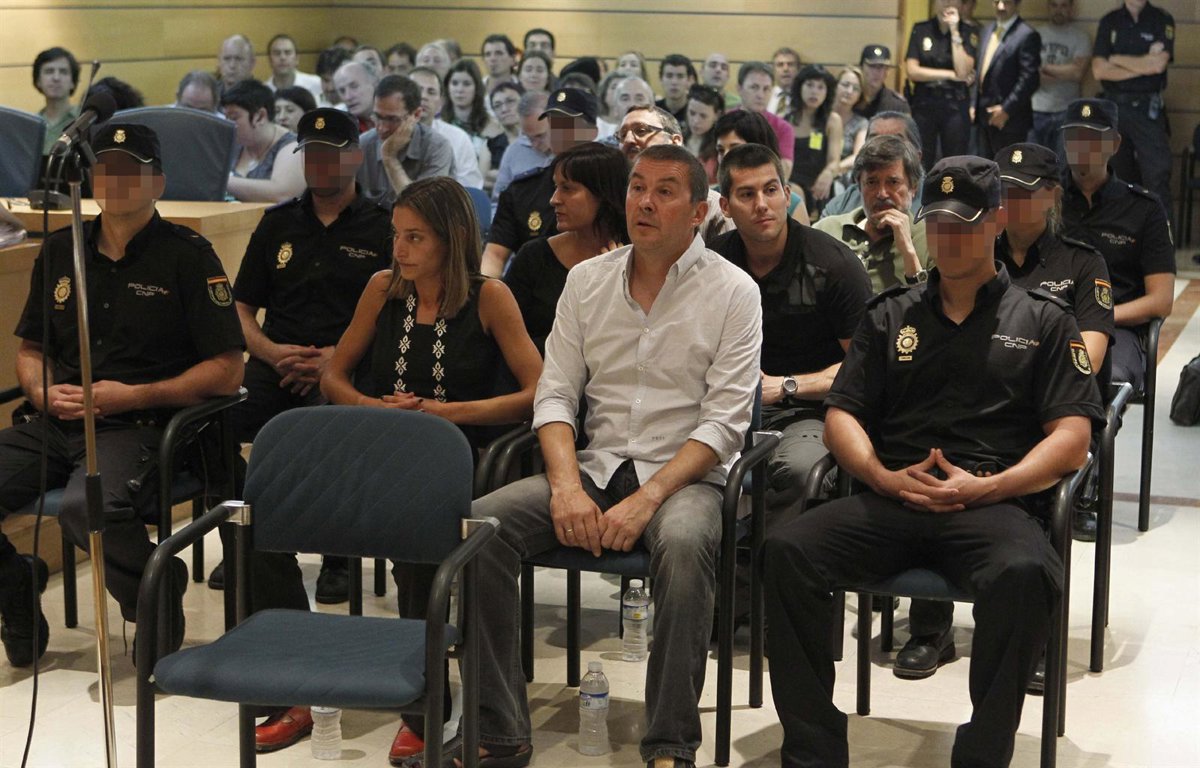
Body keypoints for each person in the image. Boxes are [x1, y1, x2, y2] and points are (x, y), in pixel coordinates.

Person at [764, 155, 1104, 768]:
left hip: (991, 503)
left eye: (964, 224)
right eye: (938, 223)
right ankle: (813, 751)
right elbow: (842, 415)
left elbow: (1073, 438)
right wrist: (878, 475)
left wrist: (991, 487)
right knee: (787, 550)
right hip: (892, 496)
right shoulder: (891, 314)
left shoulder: (1043, 320)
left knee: (1027, 574)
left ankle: (982, 754)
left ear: (996, 221)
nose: (948, 237)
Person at [458, 144, 762, 768]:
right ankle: (498, 730)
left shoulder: (735, 292)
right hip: (596, 468)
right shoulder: (587, 281)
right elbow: (554, 395)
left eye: (665, 191)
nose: (644, 202)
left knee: (684, 543)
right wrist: (566, 486)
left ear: (699, 211)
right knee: (481, 526)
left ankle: (670, 744)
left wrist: (647, 499)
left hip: (687, 477)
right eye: (636, 188)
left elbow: (725, 423)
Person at [0, 123, 245, 667]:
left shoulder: (187, 255)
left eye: (130, 170)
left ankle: (152, 591)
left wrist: (135, 395)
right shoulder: (61, 250)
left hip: (141, 424)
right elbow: (32, 349)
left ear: (157, 183)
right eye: (105, 169)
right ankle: (14, 584)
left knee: (86, 506)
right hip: (58, 420)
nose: (114, 180)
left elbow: (228, 371)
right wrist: (41, 391)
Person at [321, 176, 542, 763]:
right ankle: (357, 688)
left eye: (415, 237)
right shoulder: (381, 289)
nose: (400, 249)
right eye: (396, 235)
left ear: (451, 238)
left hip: (464, 453)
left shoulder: (490, 296)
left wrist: (449, 412)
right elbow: (333, 375)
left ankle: (427, 707)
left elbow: (538, 391)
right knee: (268, 508)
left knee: (418, 522)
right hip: (387, 443)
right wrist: (373, 406)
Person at [221, 109, 391, 668]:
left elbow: (395, 315)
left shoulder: (383, 225)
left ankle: (338, 553)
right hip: (277, 360)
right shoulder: (277, 224)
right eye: (310, 153)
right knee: (212, 428)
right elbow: (240, 307)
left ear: (355, 156)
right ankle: (251, 538)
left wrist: (335, 359)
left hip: (348, 364)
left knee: (327, 429)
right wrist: (269, 352)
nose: (320, 163)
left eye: (331, 153)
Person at [711, 143, 872, 522]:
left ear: (787, 195)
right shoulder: (712, 262)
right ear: (725, 207)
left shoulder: (833, 265)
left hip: (807, 412)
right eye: (746, 195)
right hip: (722, 408)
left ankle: (766, 560)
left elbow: (865, 368)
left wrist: (787, 385)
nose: (761, 205)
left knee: (801, 471)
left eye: (770, 190)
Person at [1060, 98, 1174, 393]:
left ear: (1114, 143)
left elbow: (1161, 300)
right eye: (1074, 136)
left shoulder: (1144, 209)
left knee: (1102, 380)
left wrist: (1100, 318)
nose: (1081, 146)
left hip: (1116, 328)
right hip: (1052, 322)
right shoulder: (1045, 201)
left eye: (1091, 137)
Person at [506, 143, 628, 352]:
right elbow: (505, 337)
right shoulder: (533, 258)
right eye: (556, 187)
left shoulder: (637, 257)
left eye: (567, 189)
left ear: (604, 194)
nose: (554, 200)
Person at [482, 87, 598, 277]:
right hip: (534, 287)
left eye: (569, 125)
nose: (558, 132)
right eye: (553, 124)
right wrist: (487, 288)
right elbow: (494, 255)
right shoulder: (522, 190)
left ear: (592, 132)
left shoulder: (613, 188)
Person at [814, 134, 931, 293]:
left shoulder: (931, 239)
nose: (882, 193)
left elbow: (935, 304)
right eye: (871, 182)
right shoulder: (826, 230)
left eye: (893, 182)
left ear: (913, 187)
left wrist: (908, 253)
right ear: (859, 186)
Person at [1091, 0, 1176, 216]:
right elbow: (1099, 70)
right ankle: (1122, 235)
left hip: (1147, 109)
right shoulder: (1110, 21)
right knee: (1116, 179)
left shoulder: (1161, 19)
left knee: (1157, 176)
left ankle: (1160, 236)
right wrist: (1144, 63)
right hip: (1114, 110)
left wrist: (1115, 58)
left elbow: (1158, 65)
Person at [617, 105, 732, 244]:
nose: (628, 140)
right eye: (622, 135)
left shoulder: (712, 208)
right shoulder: (612, 201)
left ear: (675, 141)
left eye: (641, 131)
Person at [357, 74, 454, 209]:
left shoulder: (437, 147)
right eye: (378, 117)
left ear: (416, 115)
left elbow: (423, 209)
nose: (382, 128)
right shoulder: (363, 145)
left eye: (392, 119)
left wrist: (390, 159)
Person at [904, 0, 978, 170]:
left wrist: (954, 31)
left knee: (955, 161)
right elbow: (912, 71)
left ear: (960, 4)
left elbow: (963, 71)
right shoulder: (921, 29)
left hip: (955, 103)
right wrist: (950, 75)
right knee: (921, 159)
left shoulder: (968, 32)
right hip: (924, 102)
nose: (947, 3)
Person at [713, 109, 809, 226]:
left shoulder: (792, 204)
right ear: (724, 205)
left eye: (735, 148)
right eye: (720, 150)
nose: (726, 156)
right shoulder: (711, 198)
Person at [823, 110, 925, 217]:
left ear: (917, 156)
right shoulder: (840, 207)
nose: (882, 148)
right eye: (874, 140)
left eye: (894, 141)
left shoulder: (934, 205)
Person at [974, 0, 1042, 159]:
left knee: (1008, 168)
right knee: (984, 167)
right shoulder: (986, 30)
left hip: (1011, 119)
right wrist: (973, 103)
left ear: (1017, 4)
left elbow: (1030, 79)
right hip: (983, 115)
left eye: (1006, 2)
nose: (1001, 7)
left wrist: (1006, 110)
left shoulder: (1027, 34)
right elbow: (980, 70)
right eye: (997, 1)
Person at [222, 79, 305, 203]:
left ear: (260, 116)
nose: (228, 124)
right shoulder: (233, 143)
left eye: (234, 118)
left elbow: (283, 194)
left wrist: (223, 181)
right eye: (226, 117)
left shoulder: (293, 146)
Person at [1030, 0, 1091, 156]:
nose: (1059, 10)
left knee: (1063, 164)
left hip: (1067, 112)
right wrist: (1065, 71)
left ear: (1071, 8)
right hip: (1035, 111)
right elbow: (1030, 73)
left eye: (1064, 5)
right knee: (1033, 163)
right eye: (1054, 5)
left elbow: (1077, 73)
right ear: (1048, 7)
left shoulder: (1080, 37)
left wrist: (1044, 68)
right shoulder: (1034, 35)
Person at [408, 66, 485, 189]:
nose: (423, 96)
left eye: (431, 92)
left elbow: (471, 189)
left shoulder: (458, 138)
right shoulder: (385, 131)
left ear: (440, 103)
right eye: (417, 90)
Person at [785, 64, 841, 216]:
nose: (814, 91)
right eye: (809, 85)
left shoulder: (832, 120)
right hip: (789, 184)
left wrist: (828, 173)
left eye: (820, 87)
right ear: (799, 87)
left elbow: (834, 161)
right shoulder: (786, 120)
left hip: (817, 186)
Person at [446, 60, 506, 186]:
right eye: (454, 83)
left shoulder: (494, 127)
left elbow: (497, 175)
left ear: (477, 88)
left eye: (466, 84)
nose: (459, 89)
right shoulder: (438, 124)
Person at [491, 90, 552, 204]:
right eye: (528, 137)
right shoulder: (513, 152)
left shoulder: (576, 149)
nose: (534, 144)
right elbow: (498, 203)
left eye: (540, 136)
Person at [737, 62, 795, 179]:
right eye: (754, 87)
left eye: (766, 89)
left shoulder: (783, 128)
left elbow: (784, 172)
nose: (760, 95)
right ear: (739, 89)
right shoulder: (723, 122)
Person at [32, 47, 80, 155]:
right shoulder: (31, 125)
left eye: (63, 72)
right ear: (38, 80)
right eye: (49, 71)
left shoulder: (84, 119)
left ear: (73, 82)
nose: (56, 78)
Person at [830, 66, 870, 189]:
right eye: (845, 85)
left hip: (843, 175)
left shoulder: (861, 123)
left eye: (856, 89)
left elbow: (858, 156)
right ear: (836, 86)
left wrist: (832, 171)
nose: (849, 91)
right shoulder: (822, 116)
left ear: (860, 95)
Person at [264, 33, 323, 102]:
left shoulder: (317, 84)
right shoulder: (264, 92)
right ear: (270, 59)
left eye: (287, 53)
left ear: (297, 58)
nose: (282, 57)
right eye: (277, 53)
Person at [856, 45, 910, 119]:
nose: (876, 72)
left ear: (887, 71)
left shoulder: (897, 105)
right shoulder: (852, 99)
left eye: (881, 67)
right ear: (861, 68)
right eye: (872, 66)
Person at [685, 84, 725, 184]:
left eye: (703, 116)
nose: (695, 121)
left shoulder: (721, 147)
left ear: (717, 115)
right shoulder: (676, 139)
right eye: (692, 113)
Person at [333, 60, 379, 133]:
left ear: (374, 83)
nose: (348, 97)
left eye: (354, 86)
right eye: (342, 91)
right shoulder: (339, 129)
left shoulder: (397, 115)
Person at [489, 81, 524, 174]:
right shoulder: (491, 145)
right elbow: (482, 178)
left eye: (510, 101)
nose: (504, 109)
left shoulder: (540, 139)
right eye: (497, 105)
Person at [656, 54, 697, 124]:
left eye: (680, 76)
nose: (674, 82)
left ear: (689, 80)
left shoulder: (696, 112)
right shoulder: (652, 111)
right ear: (661, 79)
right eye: (669, 76)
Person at [768, 46, 802, 116]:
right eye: (780, 65)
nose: (785, 69)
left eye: (790, 64)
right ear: (773, 70)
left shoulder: (804, 98)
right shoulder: (764, 96)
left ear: (798, 70)